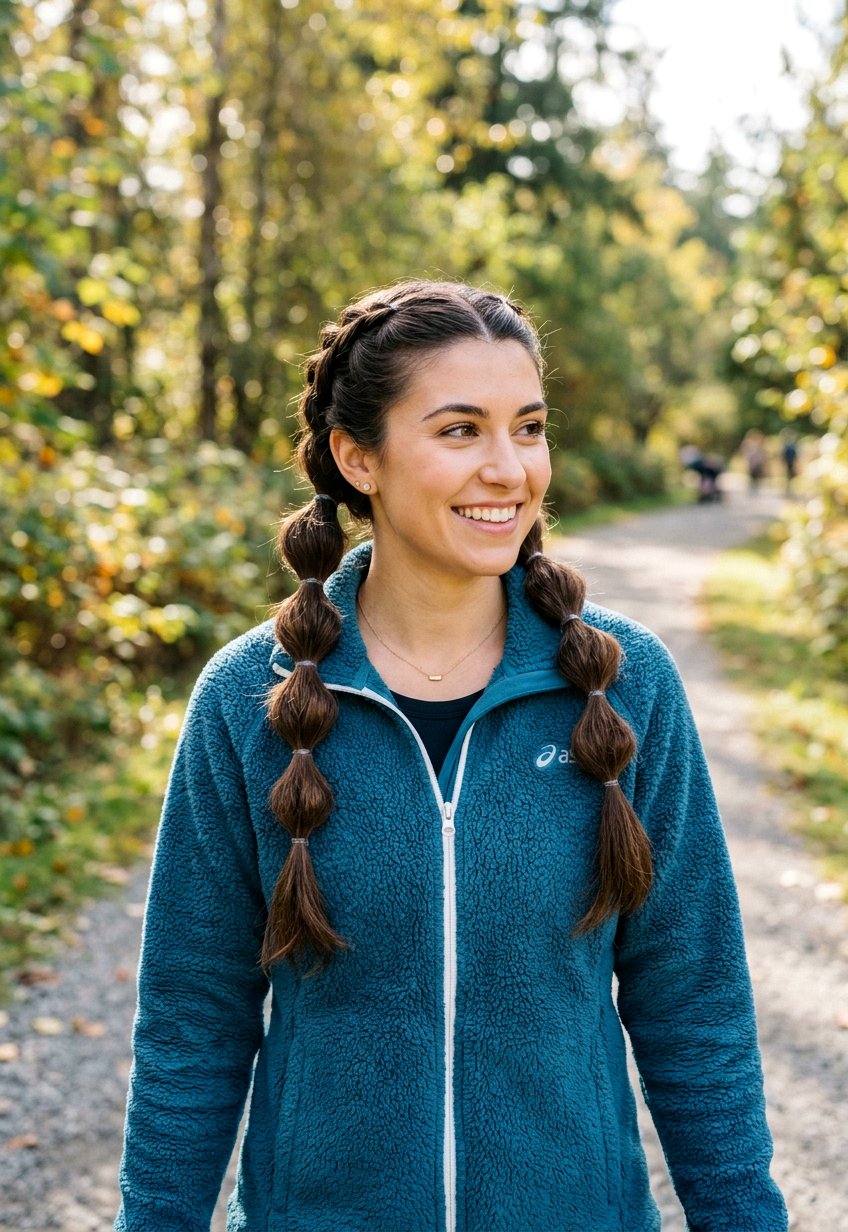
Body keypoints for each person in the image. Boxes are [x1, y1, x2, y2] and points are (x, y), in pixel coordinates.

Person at [115, 281, 788, 1232]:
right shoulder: (245, 700)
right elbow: (192, 1025)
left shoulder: (628, 686)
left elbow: (695, 1006)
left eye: (529, 426)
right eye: (460, 430)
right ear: (358, 458)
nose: (509, 469)